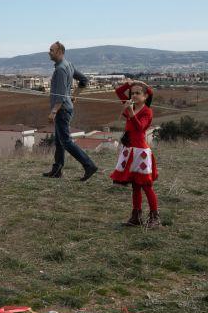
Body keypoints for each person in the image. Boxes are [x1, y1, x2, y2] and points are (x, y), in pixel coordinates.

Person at [42, 42, 98, 181]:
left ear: (60, 51)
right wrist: (75, 95)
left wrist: (54, 111)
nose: (49, 52)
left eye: (51, 50)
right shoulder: (69, 65)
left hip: (62, 110)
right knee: (59, 141)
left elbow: (60, 95)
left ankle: (89, 165)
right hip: (66, 107)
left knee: (66, 141)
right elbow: (84, 80)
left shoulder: (61, 69)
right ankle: (57, 170)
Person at [110, 81, 159, 228]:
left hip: (141, 153)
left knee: (145, 185)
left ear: (145, 96)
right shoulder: (130, 105)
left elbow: (140, 128)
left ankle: (154, 217)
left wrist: (131, 112)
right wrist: (128, 84)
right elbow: (119, 92)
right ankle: (136, 216)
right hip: (130, 150)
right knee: (135, 186)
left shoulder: (147, 111)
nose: (134, 95)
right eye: (132, 93)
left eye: (138, 93)